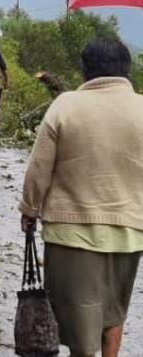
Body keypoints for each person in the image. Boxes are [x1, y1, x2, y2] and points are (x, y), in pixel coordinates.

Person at [20, 38, 143, 357]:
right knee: (114, 312)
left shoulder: (66, 104)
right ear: (126, 71)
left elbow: (39, 168)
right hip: (129, 234)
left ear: (85, 70)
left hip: (71, 233)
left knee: (83, 324)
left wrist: (29, 209)